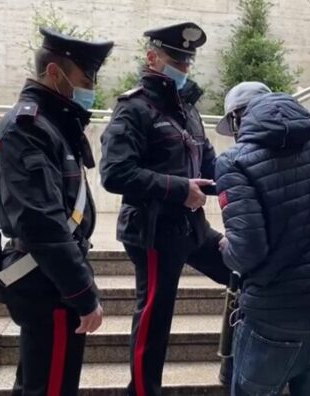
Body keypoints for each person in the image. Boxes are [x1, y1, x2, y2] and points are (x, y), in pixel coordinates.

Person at [99, 22, 230, 396]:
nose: (184, 68)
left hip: (192, 228)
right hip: (153, 231)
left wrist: (243, 193)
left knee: (244, 273)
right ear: (152, 57)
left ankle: (237, 367)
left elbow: (210, 167)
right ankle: (142, 391)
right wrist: (178, 189)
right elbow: (115, 173)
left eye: (188, 61)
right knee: (156, 318)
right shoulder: (134, 109)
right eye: (176, 60)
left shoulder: (188, 109)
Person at [0, 27, 113, 396]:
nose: (90, 86)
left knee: (38, 383)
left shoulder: (51, 123)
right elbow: (42, 222)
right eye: (85, 77)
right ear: (55, 72)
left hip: (50, 278)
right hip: (48, 283)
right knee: (52, 387)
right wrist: (82, 293)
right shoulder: (29, 128)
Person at [215, 82, 310, 396]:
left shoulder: (234, 161)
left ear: (238, 118)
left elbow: (247, 250)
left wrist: (225, 247)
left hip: (272, 318)